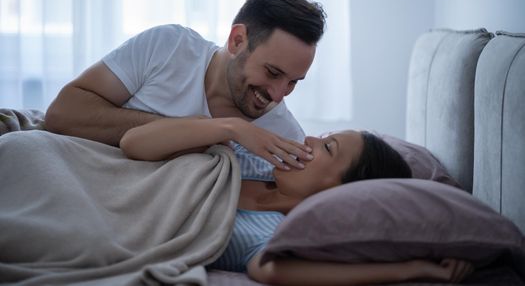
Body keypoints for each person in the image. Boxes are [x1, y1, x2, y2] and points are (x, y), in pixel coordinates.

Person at [119, 119, 475, 285]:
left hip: (119, 229)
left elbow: (271, 271)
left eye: (327, 147)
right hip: (105, 182)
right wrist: (229, 128)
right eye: (323, 137)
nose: (307, 139)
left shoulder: (276, 233)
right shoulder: (255, 157)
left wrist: (416, 270)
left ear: (339, 192)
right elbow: (133, 143)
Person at [44, 0, 327, 171]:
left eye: (293, 82)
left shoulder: (285, 139)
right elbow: (62, 114)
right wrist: (213, 129)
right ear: (237, 40)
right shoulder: (169, 47)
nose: (278, 96)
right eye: (272, 73)